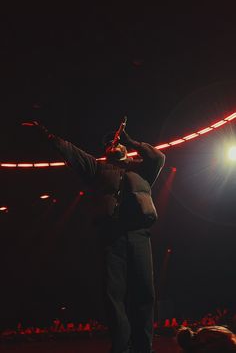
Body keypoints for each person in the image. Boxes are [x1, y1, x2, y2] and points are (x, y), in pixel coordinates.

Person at [34, 120, 165, 353]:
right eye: (109, 143)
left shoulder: (142, 169)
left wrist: (131, 140)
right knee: (113, 295)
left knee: (144, 292)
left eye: (116, 141)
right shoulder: (96, 169)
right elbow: (72, 152)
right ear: (106, 151)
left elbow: (159, 158)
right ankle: (121, 348)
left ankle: (144, 348)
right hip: (111, 237)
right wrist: (47, 135)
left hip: (139, 235)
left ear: (125, 148)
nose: (112, 144)